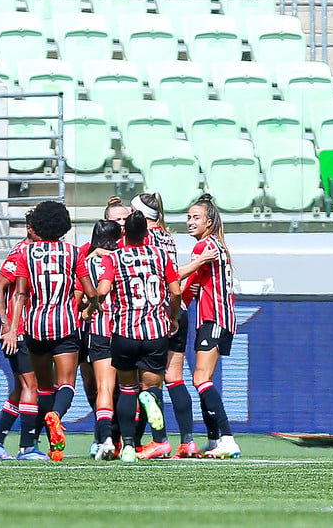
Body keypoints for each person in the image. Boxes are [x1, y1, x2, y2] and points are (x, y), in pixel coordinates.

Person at [2, 201, 97, 461]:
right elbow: (90, 291)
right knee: (66, 383)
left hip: (34, 327)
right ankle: (56, 415)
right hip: (65, 325)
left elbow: (20, 293)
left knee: (42, 387)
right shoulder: (73, 252)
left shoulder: (26, 253)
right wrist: (93, 306)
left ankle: (40, 443)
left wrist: (12, 329)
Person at [130, 193, 217, 459]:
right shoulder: (167, 236)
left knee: (148, 384)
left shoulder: (143, 238)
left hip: (154, 311)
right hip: (177, 309)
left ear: (142, 216)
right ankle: (188, 441)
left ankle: (157, 440)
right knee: (175, 378)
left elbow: (159, 274)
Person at [97, 210, 181, 463]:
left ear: (124, 232)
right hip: (156, 331)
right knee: (152, 387)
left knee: (126, 389)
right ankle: (158, 438)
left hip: (125, 331)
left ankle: (129, 446)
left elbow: (103, 289)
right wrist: (172, 317)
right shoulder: (161, 254)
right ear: (146, 233)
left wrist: (100, 303)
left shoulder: (114, 258)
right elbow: (175, 292)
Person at [0, 211, 47, 461]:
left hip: (33, 329)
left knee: (22, 387)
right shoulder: (21, 252)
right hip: (17, 331)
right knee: (31, 385)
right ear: (31, 229)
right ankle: (27, 447)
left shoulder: (45, 252)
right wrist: (6, 323)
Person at [185, 194, 241, 458]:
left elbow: (182, 276)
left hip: (214, 318)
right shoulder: (218, 244)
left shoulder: (204, 246)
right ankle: (213, 439)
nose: (190, 222)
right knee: (203, 379)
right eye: (188, 217)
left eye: (196, 217)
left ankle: (227, 437)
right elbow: (195, 283)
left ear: (208, 221)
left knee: (200, 378)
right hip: (219, 318)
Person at [78, 219, 122, 460]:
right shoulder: (122, 259)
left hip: (95, 330)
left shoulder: (84, 262)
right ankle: (126, 442)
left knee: (100, 388)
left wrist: (88, 307)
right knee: (127, 388)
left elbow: (78, 298)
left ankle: (101, 439)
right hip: (124, 328)